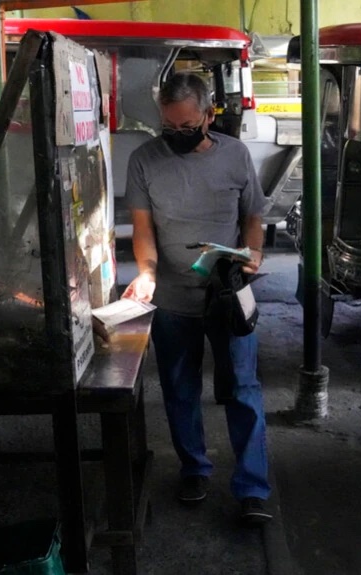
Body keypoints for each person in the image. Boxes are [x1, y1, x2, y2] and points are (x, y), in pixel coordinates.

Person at [122, 73, 273, 525]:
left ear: (209, 116)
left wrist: (255, 253)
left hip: (227, 293)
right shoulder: (145, 159)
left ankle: (252, 488)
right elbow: (143, 228)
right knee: (179, 387)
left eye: (188, 127)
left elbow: (252, 215)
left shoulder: (236, 156)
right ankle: (194, 468)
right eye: (169, 127)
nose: (178, 136)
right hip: (172, 300)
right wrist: (147, 274)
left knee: (243, 389)